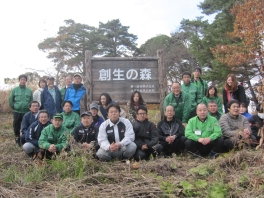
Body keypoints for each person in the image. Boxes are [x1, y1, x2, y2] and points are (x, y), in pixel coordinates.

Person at [8, 74, 33, 145]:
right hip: (17, 111)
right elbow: (10, 100)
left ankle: (25, 138)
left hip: (26, 112)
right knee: (16, 126)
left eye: (24, 80)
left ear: (26, 81)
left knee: (26, 126)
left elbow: (31, 100)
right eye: (21, 79)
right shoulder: (15, 90)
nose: (23, 81)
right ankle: (17, 140)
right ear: (19, 80)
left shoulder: (29, 90)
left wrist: (29, 108)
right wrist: (14, 106)